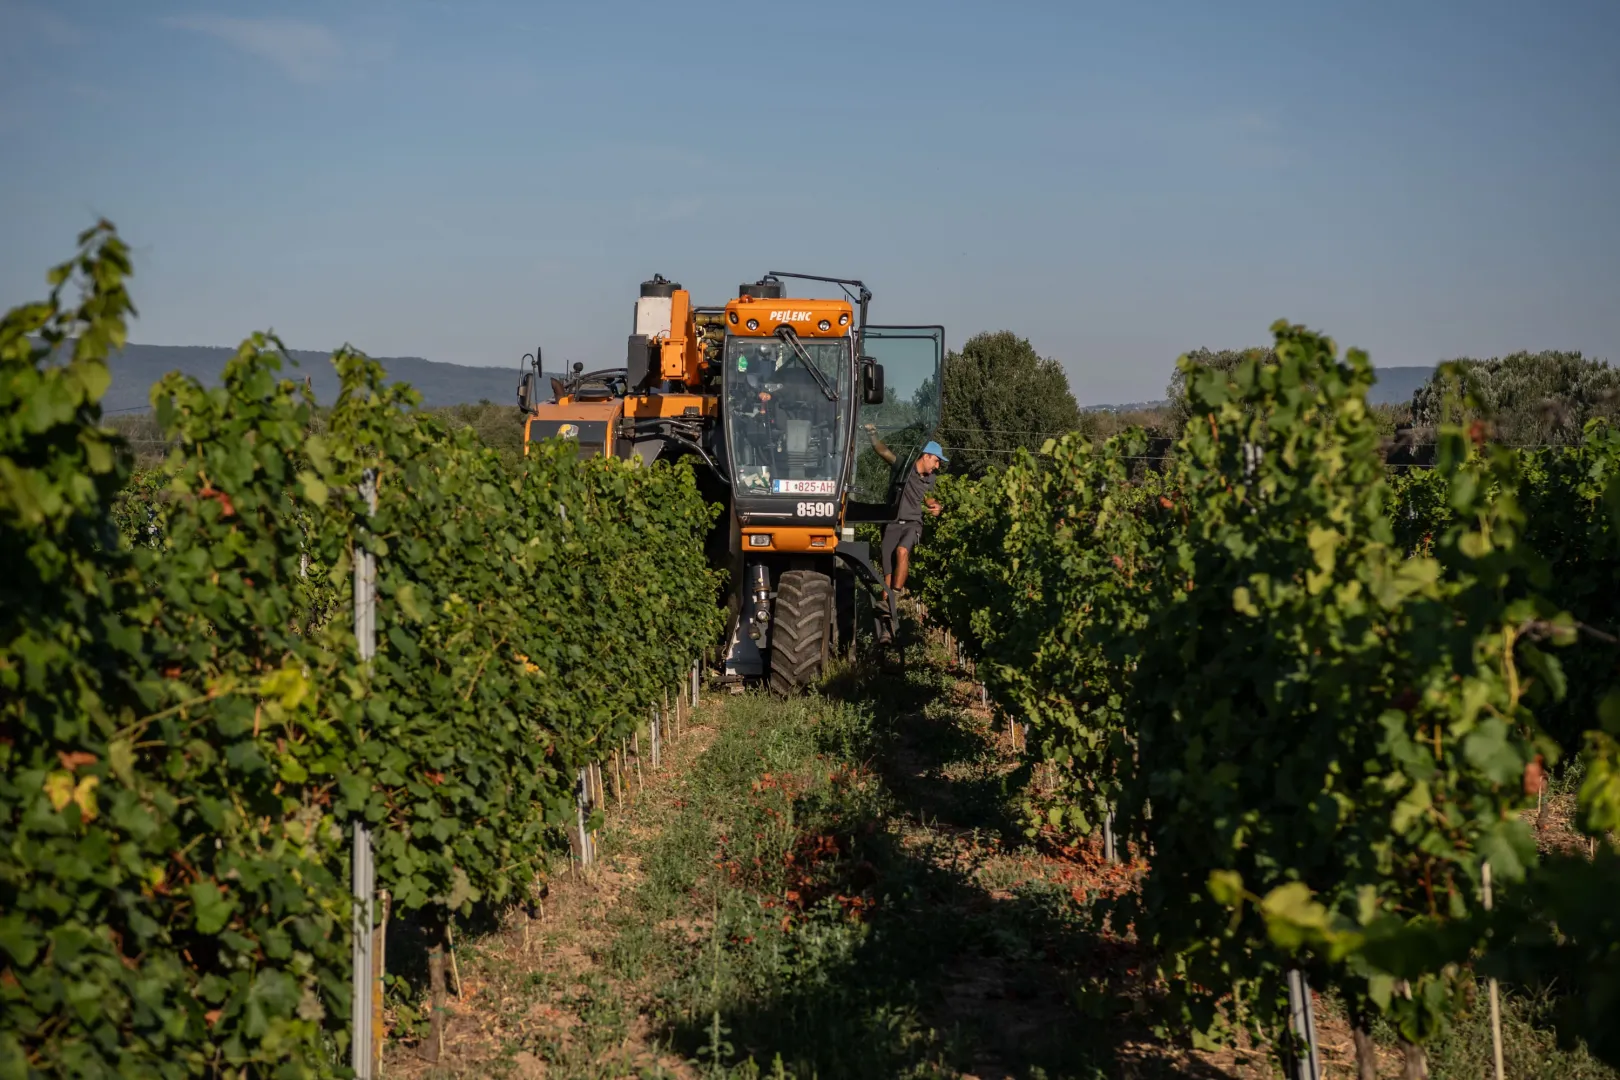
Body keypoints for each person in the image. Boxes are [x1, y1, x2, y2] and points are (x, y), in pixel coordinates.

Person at [880, 440, 946, 598]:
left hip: (913, 523)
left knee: (902, 551)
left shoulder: (931, 478)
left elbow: (929, 498)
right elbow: (883, 451)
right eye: (936, 461)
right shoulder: (904, 467)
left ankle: (895, 594)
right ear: (926, 456)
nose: (937, 466)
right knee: (887, 575)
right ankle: (886, 606)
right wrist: (871, 433)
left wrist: (936, 506)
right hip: (892, 523)